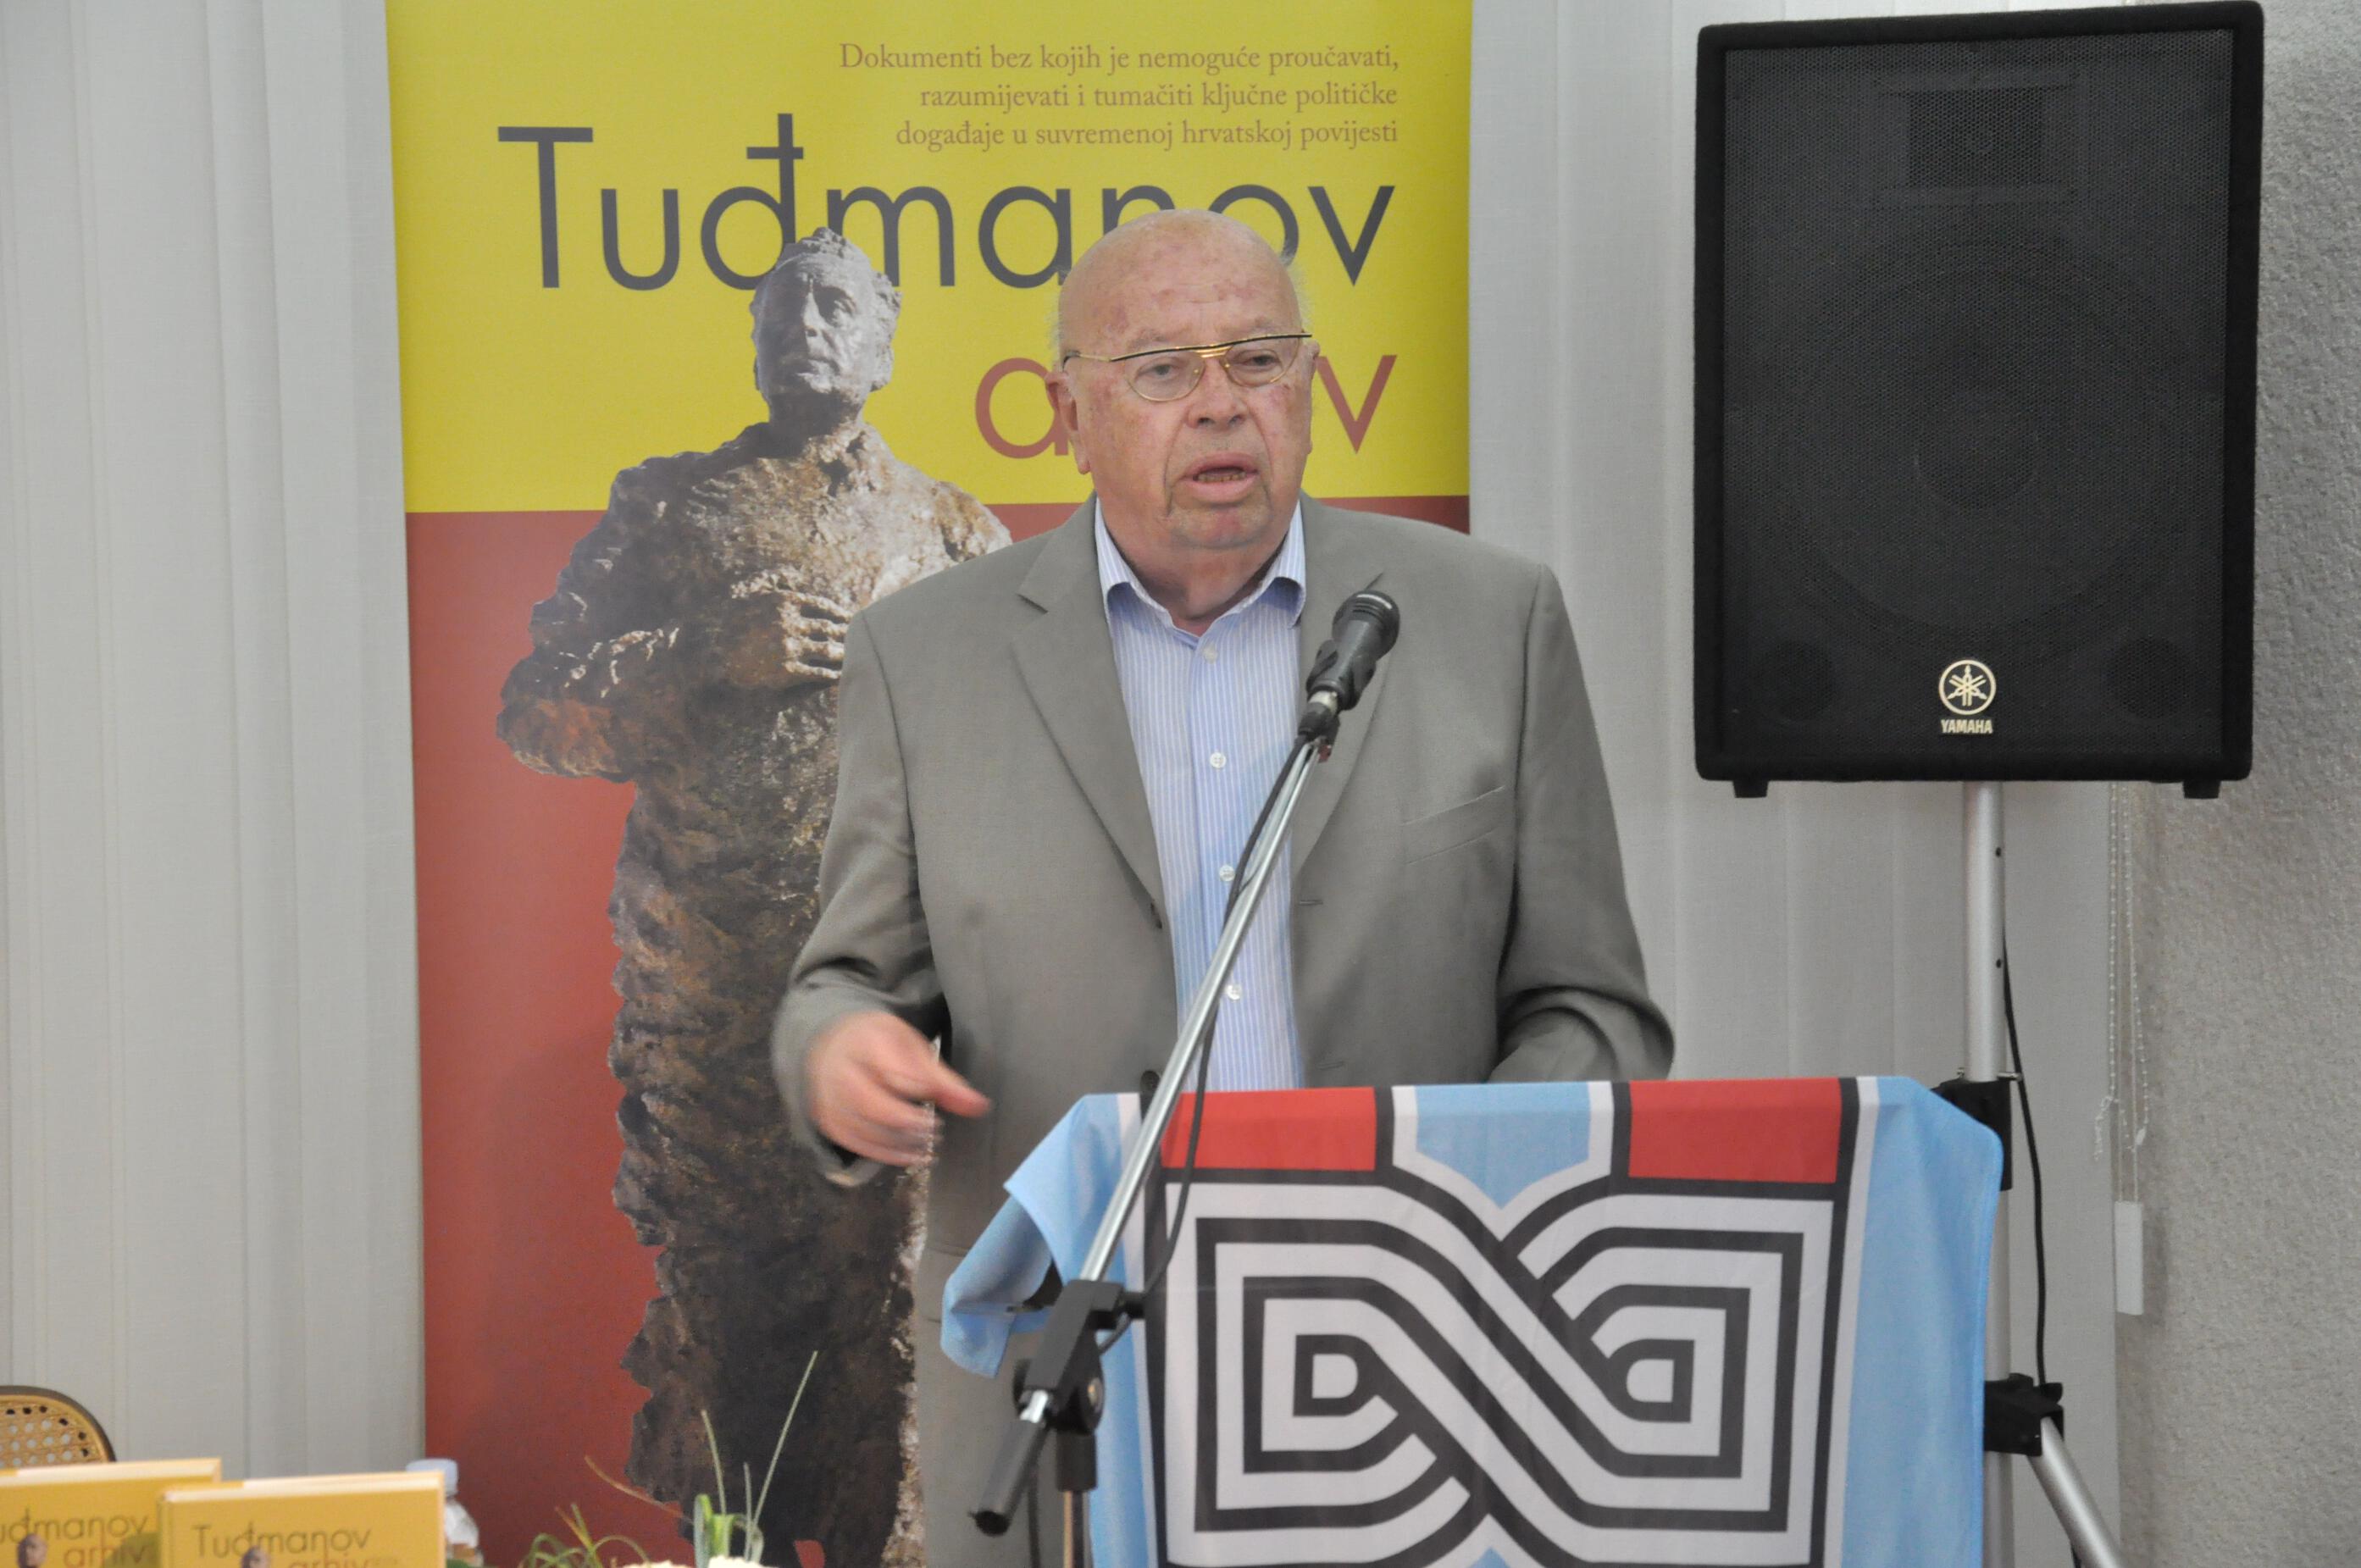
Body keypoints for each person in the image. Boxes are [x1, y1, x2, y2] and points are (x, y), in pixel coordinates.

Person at [770, 208, 1671, 1564]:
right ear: (1069, 417)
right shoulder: (927, 657)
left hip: (1424, 1359)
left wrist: (1454, 1194)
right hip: (1071, 1381)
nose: (1219, 404)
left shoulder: (1492, 622)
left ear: (1311, 389)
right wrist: (841, 1048)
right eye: (1160, 370)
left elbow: (1594, 1012)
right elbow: (848, 981)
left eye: (1258, 359)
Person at [499, 228, 1004, 1562]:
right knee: (731, 1308)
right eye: (781, 306)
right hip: (713, 996)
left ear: (887, 338)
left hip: (901, 994)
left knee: (898, 1312)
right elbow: (538, 707)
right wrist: (702, 656)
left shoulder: (957, 533)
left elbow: (1024, 765)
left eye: (836, 304)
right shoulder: (672, 509)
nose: (805, 327)